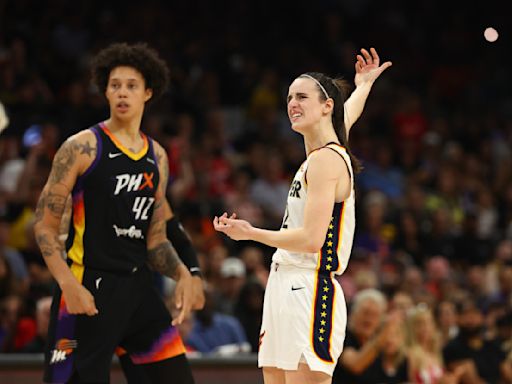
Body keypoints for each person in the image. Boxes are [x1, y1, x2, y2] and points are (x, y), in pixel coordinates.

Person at [214, 47, 391, 383]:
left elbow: (311, 240)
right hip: (283, 284)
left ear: (327, 107)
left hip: (309, 288)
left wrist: (251, 233)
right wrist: (364, 85)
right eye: (289, 97)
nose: (292, 103)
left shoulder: (327, 160)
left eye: (302, 97)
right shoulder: (320, 154)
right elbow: (347, 113)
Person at [33, 42, 196, 384]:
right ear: (105, 92)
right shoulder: (80, 147)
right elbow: (45, 227)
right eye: (115, 85)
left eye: (131, 86)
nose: (122, 93)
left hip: (138, 290)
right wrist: (67, 285)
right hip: (85, 286)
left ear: (148, 93)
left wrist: (183, 274)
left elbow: (155, 240)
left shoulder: (158, 156)